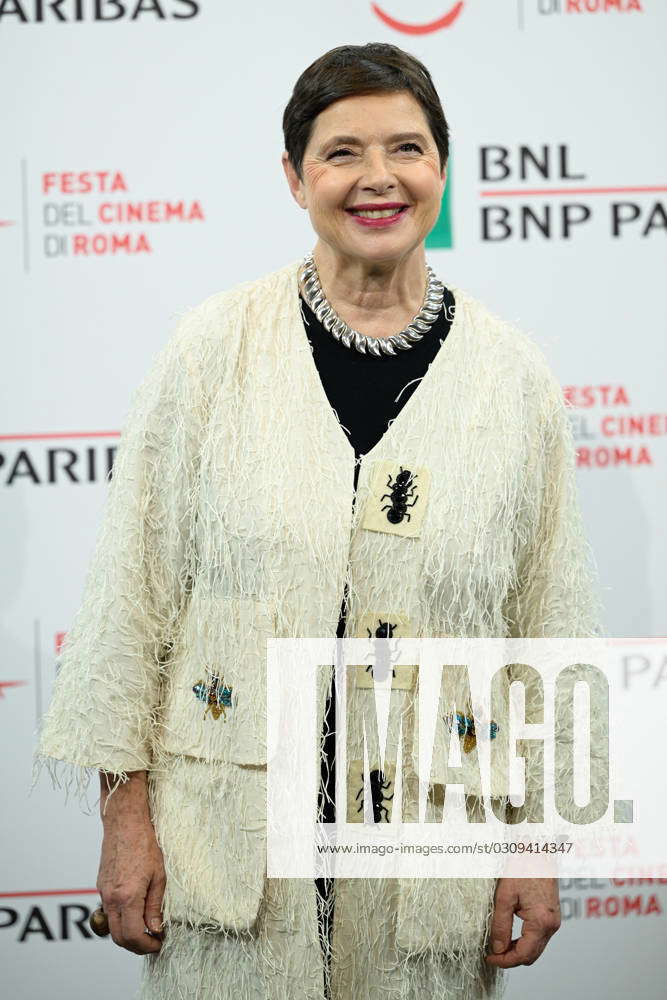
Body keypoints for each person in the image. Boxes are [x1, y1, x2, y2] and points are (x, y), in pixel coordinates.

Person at [34, 42, 602, 1000]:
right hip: (227, 860)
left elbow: (549, 630)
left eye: (406, 150)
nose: (377, 178)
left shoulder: (514, 380)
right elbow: (130, 601)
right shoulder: (211, 350)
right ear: (295, 177)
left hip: (431, 860)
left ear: (442, 171)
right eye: (342, 153)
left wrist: (538, 844)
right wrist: (123, 822)